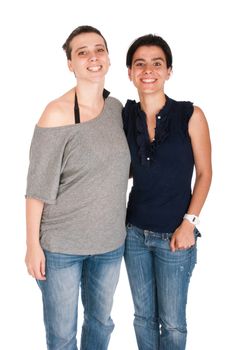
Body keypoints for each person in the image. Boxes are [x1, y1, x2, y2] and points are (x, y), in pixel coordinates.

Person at [25, 25, 130, 350]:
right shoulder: (56, 113)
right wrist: (32, 245)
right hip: (61, 249)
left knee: (102, 322)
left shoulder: (118, 110)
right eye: (82, 52)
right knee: (61, 335)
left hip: (110, 244)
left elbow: (118, 170)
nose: (92, 57)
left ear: (109, 58)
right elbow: (36, 188)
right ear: (70, 63)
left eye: (99, 49)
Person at [123, 34, 212, 350]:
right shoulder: (125, 116)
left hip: (176, 235)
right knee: (143, 318)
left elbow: (204, 173)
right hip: (133, 233)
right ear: (130, 72)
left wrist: (189, 222)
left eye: (157, 63)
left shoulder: (190, 114)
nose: (148, 70)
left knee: (172, 324)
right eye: (140, 64)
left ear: (169, 71)